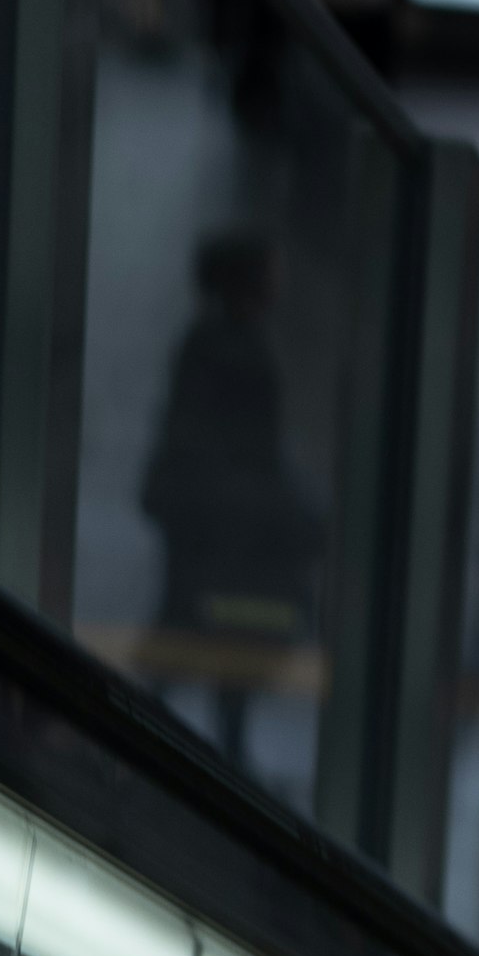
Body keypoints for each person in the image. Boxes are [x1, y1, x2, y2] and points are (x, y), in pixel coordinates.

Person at [140, 231, 324, 655]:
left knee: (190, 617)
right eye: (274, 271)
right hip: (219, 509)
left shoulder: (210, 337)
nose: (282, 281)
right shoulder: (233, 347)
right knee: (213, 620)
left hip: (206, 504)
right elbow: (247, 440)